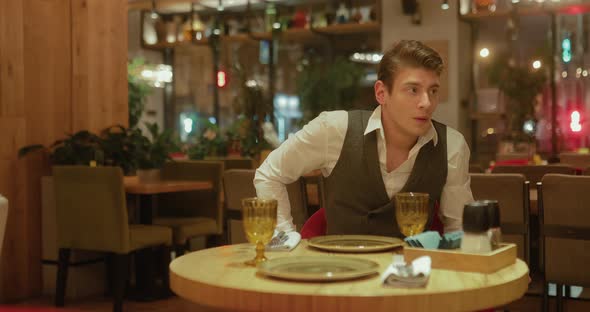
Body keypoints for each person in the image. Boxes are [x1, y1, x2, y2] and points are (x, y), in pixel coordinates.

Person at [254, 40, 474, 237]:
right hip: (340, 272)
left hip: (412, 275)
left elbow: (460, 229)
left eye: (433, 91)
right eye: (413, 90)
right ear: (381, 93)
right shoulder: (334, 129)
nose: (426, 102)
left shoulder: (452, 146)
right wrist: (283, 240)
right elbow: (269, 175)